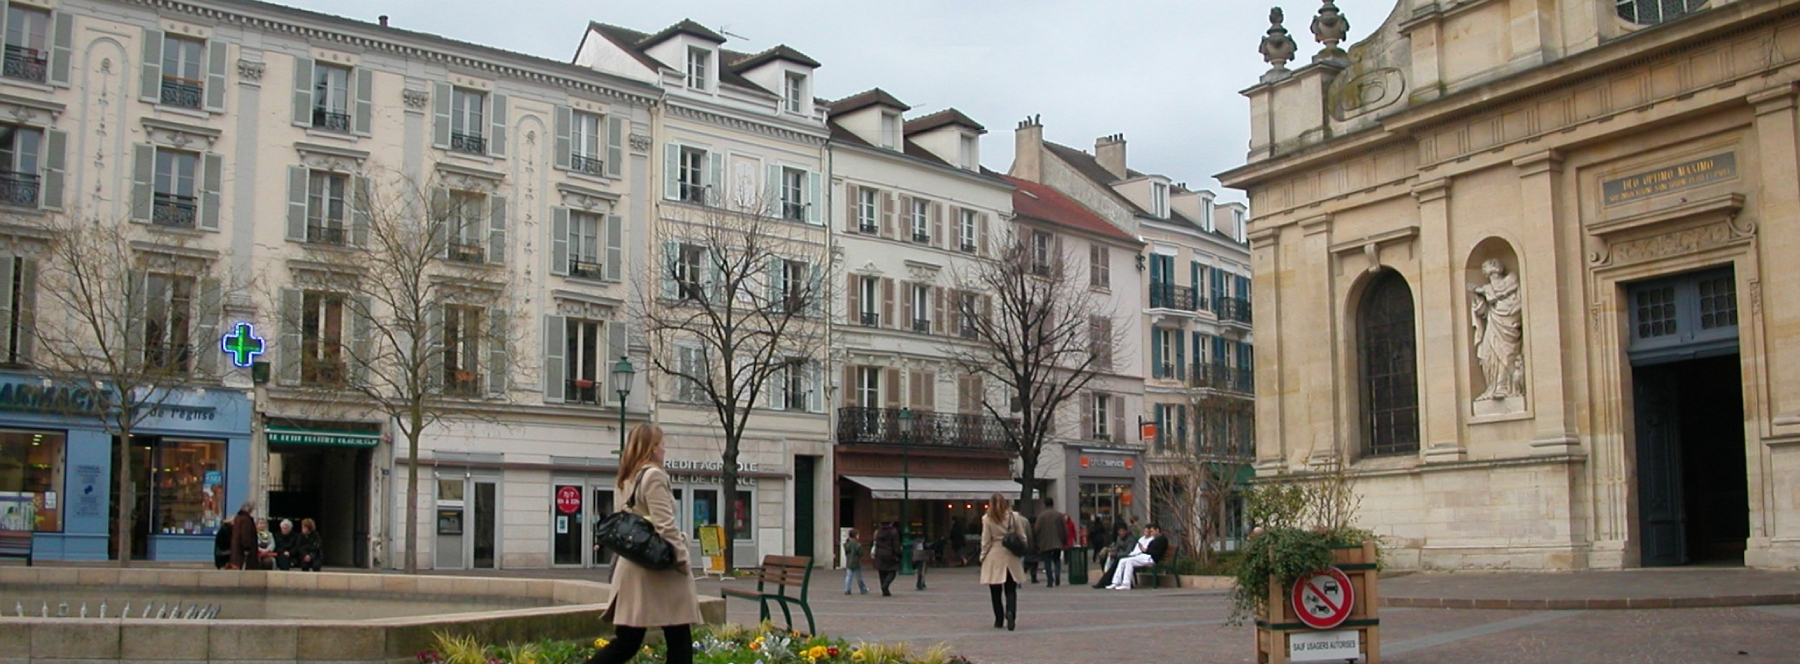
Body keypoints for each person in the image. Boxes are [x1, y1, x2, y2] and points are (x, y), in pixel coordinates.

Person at [587, 424, 701, 664]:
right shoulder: (654, 476)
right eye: (661, 444)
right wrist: (682, 560)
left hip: (632, 567)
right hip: (659, 570)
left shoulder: (627, 477)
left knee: (628, 641)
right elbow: (665, 525)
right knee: (678, 637)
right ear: (651, 448)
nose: (664, 450)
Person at [979, 492, 1028, 631]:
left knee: (995, 590)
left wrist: (982, 556)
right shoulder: (1014, 516)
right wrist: (1022, 549)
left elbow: (986, 540)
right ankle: (1011, 612)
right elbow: (1022, 536)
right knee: (1011, 589)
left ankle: (999, 619)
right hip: (1010, 554)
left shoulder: (987, 519)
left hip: (994, 554)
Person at [1106, 523, 1170, 590]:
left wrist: (1146, 550)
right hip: (1146, 556)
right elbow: (1150, 549)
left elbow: (1156, 552)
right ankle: (1116, 582)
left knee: (1129, 561)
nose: (1151, 533)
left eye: (1152, 531)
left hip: (1151, 559)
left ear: (1157, 530)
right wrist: (1145, 550)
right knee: (1123, 561)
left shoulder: (1162, 540)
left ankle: (1126, 583)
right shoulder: (1155, 539)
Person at [1032, 498, 1067, 588]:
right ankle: (1057, 575)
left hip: (1045, 543)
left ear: (1044, 504)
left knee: (1047, 562)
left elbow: (1036, 529)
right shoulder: (1059, 515)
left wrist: (1038, 540)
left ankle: (1050, 580)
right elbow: (1064, 529)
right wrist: (1063, 540)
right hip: (1057, 542)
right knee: (1057, 560)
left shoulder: (1041, 516)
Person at [872, 522, 901, 596]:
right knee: (892, 571)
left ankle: (884, 590)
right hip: (890, 553)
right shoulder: (893, 532)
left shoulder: (878, 532)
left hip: (879, 553)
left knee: (882, 572)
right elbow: (896, 544)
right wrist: (898, 554)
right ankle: (885, 585)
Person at [227, 501, 257, 570]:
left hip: (237, 548)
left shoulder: (238, 517)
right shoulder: (246, 520)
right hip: (243, 550)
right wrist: (247, 547)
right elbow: (245, 534)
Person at [841, 529, 869, 595]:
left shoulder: (847, 544)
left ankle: (847, 589)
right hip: (856, 562)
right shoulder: (857, 544)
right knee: (859, 577)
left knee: (848, 576)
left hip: (849, 562)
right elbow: (860, 553)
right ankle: (863, 589)